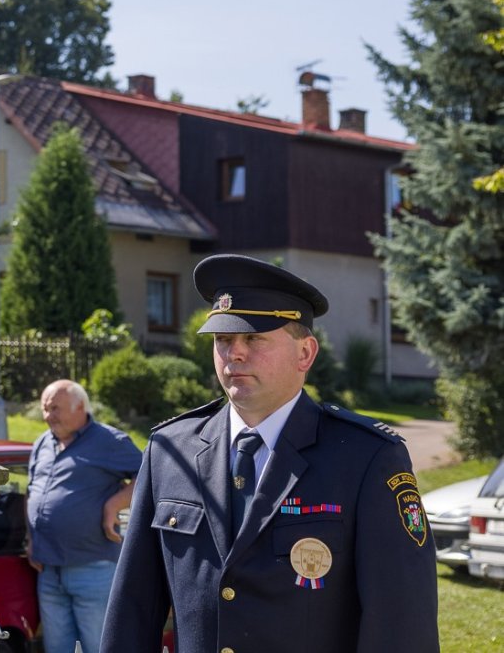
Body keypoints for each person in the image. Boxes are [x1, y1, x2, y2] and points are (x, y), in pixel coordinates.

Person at [101, 255, 440, 653]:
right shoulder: (170, 450)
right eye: (223, 340)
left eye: (254, 338)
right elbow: (133, 608)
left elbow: (401, 622)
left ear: (305, 354)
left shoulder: (366, 457)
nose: (234, 353)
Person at [24, 378, 140, 653]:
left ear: (80, 407)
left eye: (55, 408)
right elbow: (31, 492)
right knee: (58, 648)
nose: (48, 416)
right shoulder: (42, 443)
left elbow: (150, 475)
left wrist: (114, 504)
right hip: (48, 569)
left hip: (93, 568)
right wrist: (31, 539)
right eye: (45, 408)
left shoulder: (109, 441)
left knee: (99, 647)